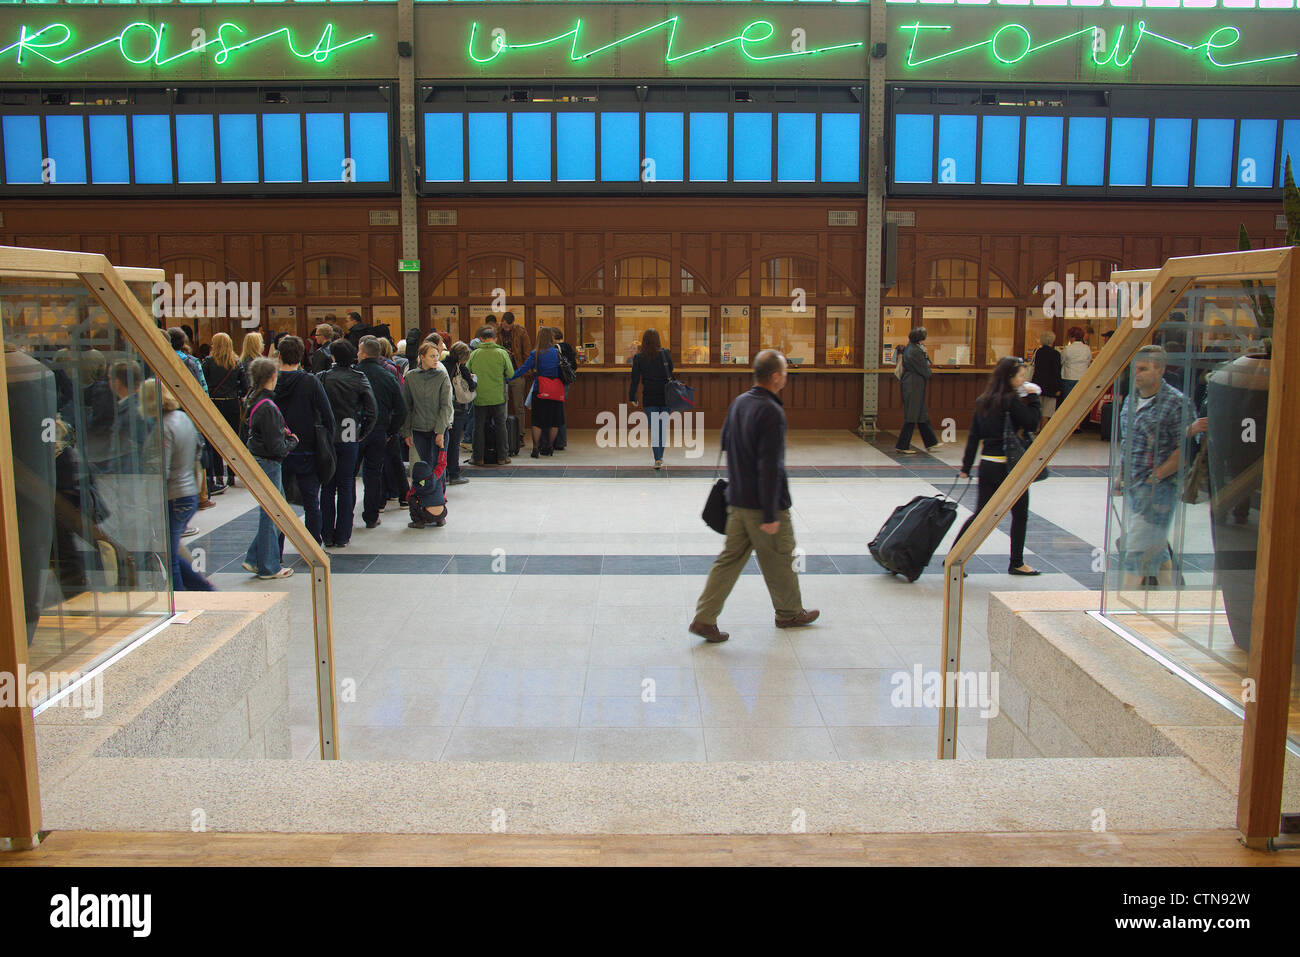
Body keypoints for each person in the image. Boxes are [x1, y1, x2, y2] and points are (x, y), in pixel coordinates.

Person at [690, 350, 819, 642]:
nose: (786, 376)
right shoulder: (772, 412)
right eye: (785, 372)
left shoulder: (740, 402)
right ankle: (789, 613)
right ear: (775, 377)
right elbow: (770, 466)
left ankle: (704, 617)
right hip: (762, 505)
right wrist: (772, 513)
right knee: (781, 556)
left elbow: (725, 443)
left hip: (737, 499)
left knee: (730, 559)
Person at [956, 357, 1043, 576]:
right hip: (1009, 468)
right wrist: (1033, 397)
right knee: (1020, 514)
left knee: (980, 514)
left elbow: (974, 435)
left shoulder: (983, 400)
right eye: (1021, 376)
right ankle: (1017, 563)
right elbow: (1032, 422)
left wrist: (966, 466)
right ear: (1009, 378)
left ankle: (954, 557)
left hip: (987, 465)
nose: (1024, 379)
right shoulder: (1010, 401)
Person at [1116, 345, 1191, 589]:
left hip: (1159, 489)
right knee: (1157, 549)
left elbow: (1183, 450)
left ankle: (1123, 606)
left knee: (1135, 553)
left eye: (1143, 369)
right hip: (1135, 484)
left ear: (1159, 370)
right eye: (1135, 369)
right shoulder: (1131, 399)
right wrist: (1121, 475)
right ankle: (1172, 598)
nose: (1137, 374)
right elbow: (1127, 442)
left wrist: (1155, 477)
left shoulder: (1176, 403)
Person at [139, 379, 213, 592]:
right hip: (188, 491)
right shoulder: (182, 418)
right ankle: (203, 589)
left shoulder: (162, 428)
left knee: (169, 556)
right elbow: (197, 450)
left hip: (174, 496)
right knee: (170, 551)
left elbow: (159, 469)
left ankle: (184, 598)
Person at [273, 335, 335, 546]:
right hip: (307, 448)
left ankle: (276, 550)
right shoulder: (310, 381)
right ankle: (313, 545)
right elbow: (327, 415)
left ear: (278, 355)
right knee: (311, 502)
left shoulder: (272, 381)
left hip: (278, 450)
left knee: (279, 504)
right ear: (301, 356)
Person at [241, 358, 295, 580]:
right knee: (272, 513)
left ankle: (255, 558)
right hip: (269, 462)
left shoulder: (252, 401)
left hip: (259, 458)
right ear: (273, 377)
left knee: (273, 511)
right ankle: (268, 565)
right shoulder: (268, 406)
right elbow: (277, 447)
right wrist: (292, 442)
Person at [319, 339, 377, 548]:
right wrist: (363, 432)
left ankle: (326, 533)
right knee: (346, 484)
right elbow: (372, 410)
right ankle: (343, 534)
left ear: (332, 356)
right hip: (349, 431)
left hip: (327, 434)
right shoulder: (359, 378)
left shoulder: (323, 378)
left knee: (327, 486)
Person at [356, 335, 406, 529]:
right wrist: (391, 431)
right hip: (380, 431)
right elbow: (401, 409)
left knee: (351, 475)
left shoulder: (355, 373)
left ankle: (347, 515)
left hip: (356, 430)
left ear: (365, 353)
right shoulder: (388, 375)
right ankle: (371, 515)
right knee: (373, 473)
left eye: (359, 351)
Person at [402, 341, 454, 527]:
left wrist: (440, 431)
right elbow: (407, 406)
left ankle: (439, 512)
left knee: (438, 470)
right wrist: (407, 431)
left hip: (438, 429)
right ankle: (424, 510)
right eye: (432, 355)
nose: (436, 359)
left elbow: (445, 406)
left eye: (437, 355)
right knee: (424, 471)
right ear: (421, 357)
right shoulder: (411, 377)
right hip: (418, 429)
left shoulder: (442, 376)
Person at [201, 332, 247, 492]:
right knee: (232, 439)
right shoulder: (236, 362)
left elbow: (203, 382)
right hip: (232, 404)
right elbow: (245, 386)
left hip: (214, 404)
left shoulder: (208, 362)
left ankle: (219, 475)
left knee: (215, 440)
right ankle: (232, 474)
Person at [509, 326, 565, 458]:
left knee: (537, 421)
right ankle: (550, 447)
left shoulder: (535, 353)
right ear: (551, 338)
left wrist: (508, 377)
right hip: (555, 391)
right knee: (553, 421)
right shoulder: (556, 353)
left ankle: (535, 448)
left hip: (540, 389)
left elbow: (523, 369)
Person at [466, 324, 514, 466]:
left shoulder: (474, 354)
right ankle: (502, 457)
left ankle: (478, 458)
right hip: (497, 395)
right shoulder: (502, 353)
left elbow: (467, 371)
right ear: (495, 338)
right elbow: (510, 374)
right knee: (500, 425)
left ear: (481, 339)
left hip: (479, 396)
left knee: (478, 426)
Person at [628, 328, 673, 469]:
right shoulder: (665, 353)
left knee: (654, 428)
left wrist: (632, 396)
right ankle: (660, 456)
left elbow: (635, 379)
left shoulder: (639, 357)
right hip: (666, 396)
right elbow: (671, 370)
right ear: (658, 340)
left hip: (649, 396)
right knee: (662, 427)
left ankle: (657, 458)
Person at [895, 327, 940, 454]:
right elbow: (926, 371)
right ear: (920, 339)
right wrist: (925, 357)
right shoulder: (916, 352)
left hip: (911, 385)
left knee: (920, 414)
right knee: (912, 415)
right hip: (914, 386)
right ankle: (902, 445)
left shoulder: (909, 348)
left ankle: (931, 442)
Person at [442, 341, 475, 485]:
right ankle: (454, 473)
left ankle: (443, 473)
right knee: (454, 442)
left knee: (444, 442)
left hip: (444, 409)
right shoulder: (461, 368)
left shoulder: (441, 365)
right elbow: (472, 386)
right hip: (458, 408)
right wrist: (473, 379)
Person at [498, 311, 532, 421]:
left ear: (513, 323)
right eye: (505, 326)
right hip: (501, 374)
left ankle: (520, 434)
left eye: (509, 326)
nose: (507, 329)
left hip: (517, 372)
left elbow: (527, 353)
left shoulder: (521, 332)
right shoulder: (496, 332)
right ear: (502, 322)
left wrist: (524, 372)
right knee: (501, 405)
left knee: (519, 406)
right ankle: (503, 433)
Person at [552, 327, 577, 451]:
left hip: (557, 382)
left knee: (556, 411)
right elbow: (575, 366)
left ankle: (558, 440)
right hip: (566, 383)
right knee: (560, 410)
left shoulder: (555, 349)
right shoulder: (568, 346)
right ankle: (560, 441)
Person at [1031, 330, 1062, 420]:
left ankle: (1036, 428)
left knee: (1038, 407)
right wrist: (1058, 387)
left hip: (1038, 382)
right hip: (1051, 385)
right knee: (1048, 410)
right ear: (1052, 340)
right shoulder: (1056, 354)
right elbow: (1057, 371)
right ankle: (1043, 429)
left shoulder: (1038, 352)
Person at [1059, 325, 1093, 403]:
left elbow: (1062, 361)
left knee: (1068, 402)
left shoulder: (1067, 349)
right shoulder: (1086, 348)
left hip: (1068, 377)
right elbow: (1088, 362)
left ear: (1072, 337)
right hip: (1082, 377)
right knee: (1080, 402)